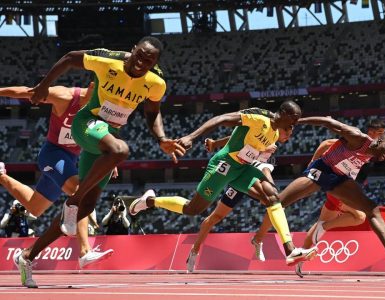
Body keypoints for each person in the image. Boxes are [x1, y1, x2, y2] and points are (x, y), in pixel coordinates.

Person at [15, 36, 186, 288]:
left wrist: (161, 138)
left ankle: (27, 256)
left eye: (148, 61)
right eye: (139, 55)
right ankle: (72, 202)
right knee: (121, 150)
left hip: (106, 137)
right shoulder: (108, 60)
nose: (141, 63)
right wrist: (43, 86)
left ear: (155, 63)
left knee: (87, 207)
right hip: (86, 124)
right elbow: (69, 58)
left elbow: (152, 112)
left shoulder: (155, 83)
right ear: (132, 49)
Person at [130, 102, 318, 266]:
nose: (295, 124)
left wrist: (216, 143)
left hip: (242, 170)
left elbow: (239, 142)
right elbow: (221, 119)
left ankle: (290, 250)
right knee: (192, 209)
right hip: (224, 165)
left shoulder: (275, 134)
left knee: (272, 196)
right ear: (283, 114)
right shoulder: (259, 117)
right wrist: (192, 137)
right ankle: (150, 201)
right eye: (294, 120)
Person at [253, 116, 385, 271]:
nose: (384, 157)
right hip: (321, 170)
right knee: (277, 203)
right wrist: (298, 121)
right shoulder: (357, 137)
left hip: (339, 179)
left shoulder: (380, 148)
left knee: (371, 209)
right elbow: (328, 124)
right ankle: (259, 239)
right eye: (384, 153)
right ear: (377, 142)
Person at [0, 85, 113, 277]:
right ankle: (85, 252)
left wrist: (110, 154)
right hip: (52, 155)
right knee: (80, 192)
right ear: (92, 87)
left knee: (35, 206)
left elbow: (101, 135)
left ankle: (1, 176)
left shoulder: (100, 108)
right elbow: (26, 92)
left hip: (70, 160)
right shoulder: (64, 96)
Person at [285, 119, 385, 277]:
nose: (379, 136)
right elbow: (326, 143)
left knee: (321, 222)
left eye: (381, 134)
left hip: (340, 186)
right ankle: (324, 228)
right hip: (338, 186)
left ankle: (300, 260)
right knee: (359, 216)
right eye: (377, 133)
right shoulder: (357, 140)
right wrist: (312, 164)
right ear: (370, 132)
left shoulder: (372, 148)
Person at [186, 127, 292, 272]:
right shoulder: (265, 132)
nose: (289, 137)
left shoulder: (272, 147)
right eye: (288, 132)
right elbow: (235, 138)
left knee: (274, 203)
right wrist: (215, 143)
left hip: (257, 173)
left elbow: (265, 169)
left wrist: (264, 152)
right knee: (215, 217)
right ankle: (195, 250)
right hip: (239, 175)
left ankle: (258, 239)